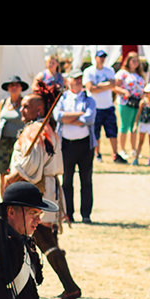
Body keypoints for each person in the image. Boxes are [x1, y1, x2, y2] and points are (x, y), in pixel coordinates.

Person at [5, 89, 81, 299]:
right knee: (43, 238)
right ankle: (65, 285)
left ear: (40, 109)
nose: (22, 108)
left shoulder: (35, 130)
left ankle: (70, 285)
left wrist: (13, 177)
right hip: (47, 187)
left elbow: (32, 161)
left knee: (41, 236)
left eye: (27, 106)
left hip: (40, 188)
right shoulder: (43, 128)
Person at [54, 70, 97, 223]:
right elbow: (57, 116)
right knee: (67, 181)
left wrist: (68, 118)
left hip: (85, 145)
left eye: (80, 80)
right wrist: (78, 115)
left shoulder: (89, 99)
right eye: (75, 80)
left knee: (86, 180)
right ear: (69, 82)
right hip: (67, 145)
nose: (78, 82)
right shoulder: (63, 98)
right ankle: (68, 214)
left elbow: (89, 118)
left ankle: (86, 214)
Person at [85, 50, 122, 162]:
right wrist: (106, 85)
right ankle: (97, 154)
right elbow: (91, 88)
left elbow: (113, 84)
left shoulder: (109, 70)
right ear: (95, 57)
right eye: (100, 57)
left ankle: (115, 154)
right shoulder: (89, 71)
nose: (102, 59)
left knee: (112, 131)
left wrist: (99, 86)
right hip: (95, 107)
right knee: (96, 132)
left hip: (108, 106)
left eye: (103, 57)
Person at [0, 76, 28, 190]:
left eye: (16, 85)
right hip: (3, 142)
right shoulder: (3, 103)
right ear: (8, 88)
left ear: (21, 88)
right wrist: (0, 123)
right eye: (11, 85)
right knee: (3, 172)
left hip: (18, 141)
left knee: (18, 171)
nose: (14, 87)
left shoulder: (24, 103)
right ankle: (3, 199)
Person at [115, 51, 146, 162]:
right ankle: (122, 149)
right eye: (133, 60)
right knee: (124, 125)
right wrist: (124, 91)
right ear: (128, 61)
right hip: (125, 102)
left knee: (134, 126)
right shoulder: (122, 73)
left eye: (137, 61)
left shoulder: (139, 75)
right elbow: (115, 87)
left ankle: (133, 149)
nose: (135, 63)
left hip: (137, 102)